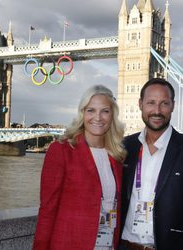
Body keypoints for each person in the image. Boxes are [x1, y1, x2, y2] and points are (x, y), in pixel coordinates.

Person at [33, 85, 126, 250]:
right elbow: (47, 209)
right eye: (91, 110)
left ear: (112, 116)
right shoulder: (61, 150)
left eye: (105, 111)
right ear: (82, 114)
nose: (98, 117)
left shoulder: (116, 156)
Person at [119, 78, 183, 250]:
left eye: (164, 103)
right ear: (140, 104)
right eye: (151, 103)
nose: (157, 110)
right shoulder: (124, 147)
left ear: (173, 105)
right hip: (125, 246)